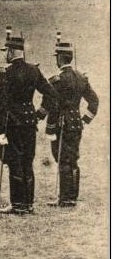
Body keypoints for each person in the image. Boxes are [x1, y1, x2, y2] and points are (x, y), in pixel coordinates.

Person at [0, 28, 58, 215]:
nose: (5, 55)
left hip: (12, 124)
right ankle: (28, 204)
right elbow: (51, 94)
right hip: (30, 123)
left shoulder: (5, 73)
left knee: (14, 163)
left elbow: (0, 104)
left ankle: (18, 205)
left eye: (6, 51)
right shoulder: (34, 70)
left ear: (12, 52)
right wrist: (41, 112)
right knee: (27, 162)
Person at [44, 38, 97, 208]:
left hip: (62, 123)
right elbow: (94, 101)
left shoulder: (57, 80)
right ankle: (72, 196)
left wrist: (50, 128)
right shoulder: (82, 78)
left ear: (60, 58)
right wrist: (85, 119)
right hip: (76, 124)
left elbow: (53, 105)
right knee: (73, 158)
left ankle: (65, 198)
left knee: (62, 159)